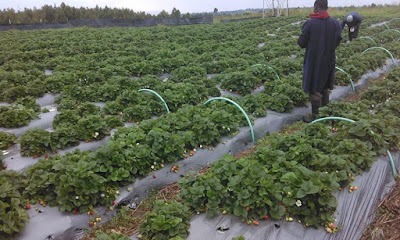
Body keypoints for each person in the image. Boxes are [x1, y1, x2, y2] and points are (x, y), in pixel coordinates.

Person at [298, 0, 342, 122]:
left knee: (314, 88)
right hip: (329, 59)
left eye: (314, 7)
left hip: (314, 61)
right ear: (326, 8)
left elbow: (301, 43)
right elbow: (338, 40)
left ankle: (316, 116)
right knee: (325, 86)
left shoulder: (310, 23)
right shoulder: (335, 23)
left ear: (316, 7)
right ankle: (326, 113)